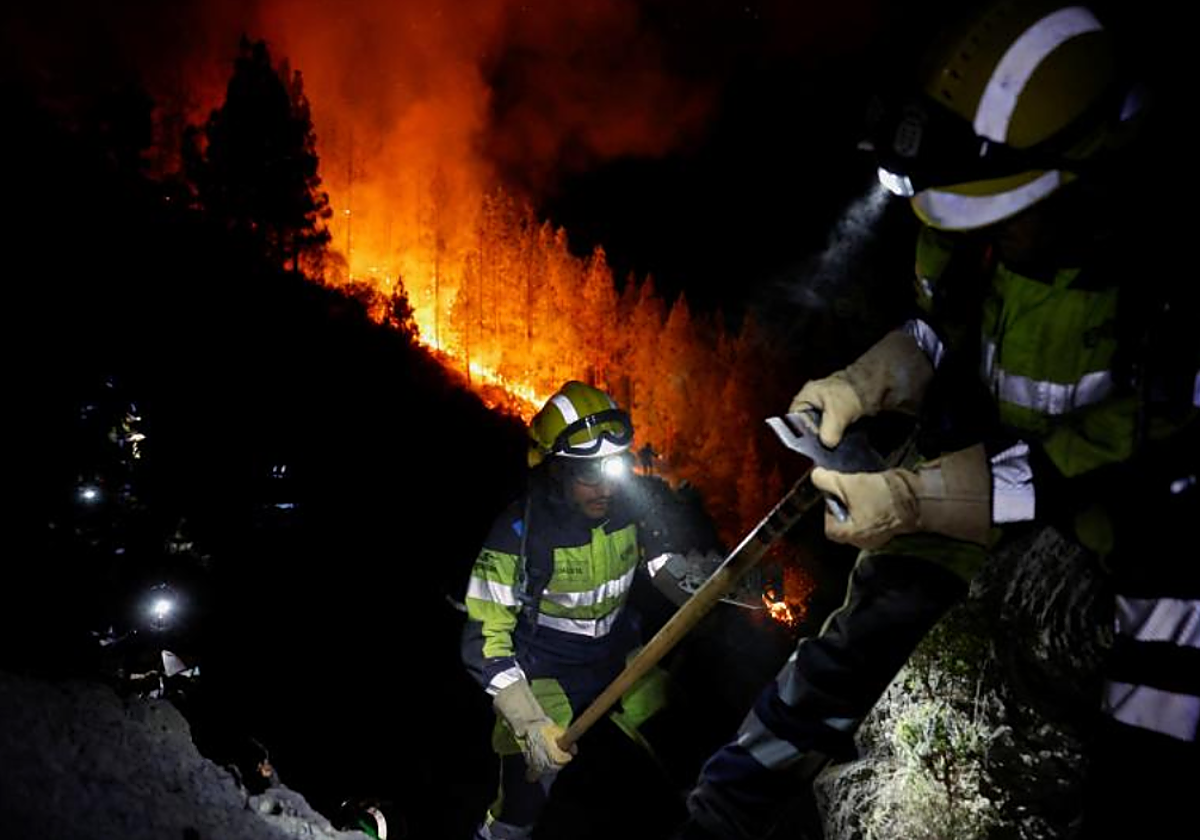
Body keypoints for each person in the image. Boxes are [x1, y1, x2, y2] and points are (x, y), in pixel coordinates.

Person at [674, 1, 1198, 837]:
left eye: (999, 217)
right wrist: (862, 383)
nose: (977, 235)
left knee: (1158, 712)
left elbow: (1103, 455)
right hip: (979, 448)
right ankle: (720, 810)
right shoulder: (975, 215)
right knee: (861, 632)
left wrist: (918, 497)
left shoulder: (1163, 276)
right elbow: (938, 331)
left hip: (1140, 515)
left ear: (1081, 177)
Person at [462, 380, 725, 839]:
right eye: (589, 474)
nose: (605, 486)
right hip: (546, 672)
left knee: (681, 737)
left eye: (614, 466)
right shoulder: (517, 535)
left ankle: (712, 824)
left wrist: (715, 586)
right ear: (557, 473)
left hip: (620, 656)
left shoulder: (630, 509)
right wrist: (527, 721)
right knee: (526, 787)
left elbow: (665, 564)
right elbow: (483, 641)